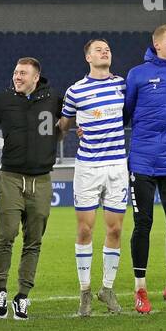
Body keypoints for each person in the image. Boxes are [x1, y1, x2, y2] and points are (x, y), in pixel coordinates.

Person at [123, 24, 166, 314]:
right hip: (143, 160)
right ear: (157, 45)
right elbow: (125, 112)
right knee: (144, 224)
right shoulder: (137, 74)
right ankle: (140, 288)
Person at [0, 57, 63, 320]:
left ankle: (22, 296)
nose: (17, 77)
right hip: (10, 177)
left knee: (34, 240)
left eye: (22, 73)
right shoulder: (3, 99)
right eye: (15, 72)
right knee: (6, 234)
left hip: (41, 179)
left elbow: (64, 124)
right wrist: (5, 147)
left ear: (36, 76)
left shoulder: (54, 97)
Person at [61, 39, 127, 316]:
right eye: (99, 49)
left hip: (117, 166)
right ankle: (85, 292)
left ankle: (107, 289)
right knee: (85, 230)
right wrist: (75, 126)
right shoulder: (76, 91)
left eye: (108, 48)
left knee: (115, 230)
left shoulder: (122, 85)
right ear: (88, 57)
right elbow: (63, 124)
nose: (105, 51)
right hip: (88, 167)